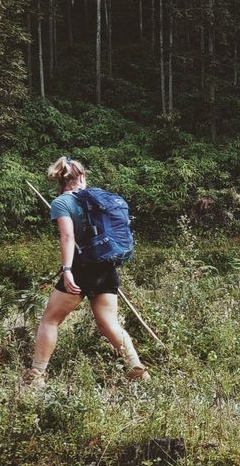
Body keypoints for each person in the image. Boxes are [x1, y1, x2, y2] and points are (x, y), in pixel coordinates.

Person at [23, 156, 149, 387]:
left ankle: (36, 376)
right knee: (109, 322)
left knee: (50, 320)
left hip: (83, 268)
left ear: (60, 179)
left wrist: (67, 270)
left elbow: (67, 236)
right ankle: (137, 369)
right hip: (106, 264)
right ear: (81, 176)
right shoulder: (97, 199)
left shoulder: (62, 202)